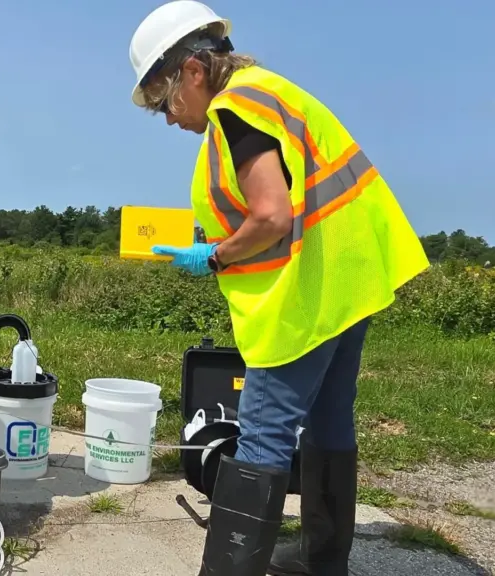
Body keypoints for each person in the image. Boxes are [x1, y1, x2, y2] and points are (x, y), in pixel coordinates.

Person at [127, 3, 430, 575]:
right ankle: (322, 562)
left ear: (193, 71)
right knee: (331, 420)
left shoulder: (236, 108)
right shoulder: (272, 92)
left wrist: (213, 256)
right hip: (351, 277)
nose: (169, 117)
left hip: (305, 295)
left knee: (263, 437)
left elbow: (270, 216)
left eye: (164, 100)